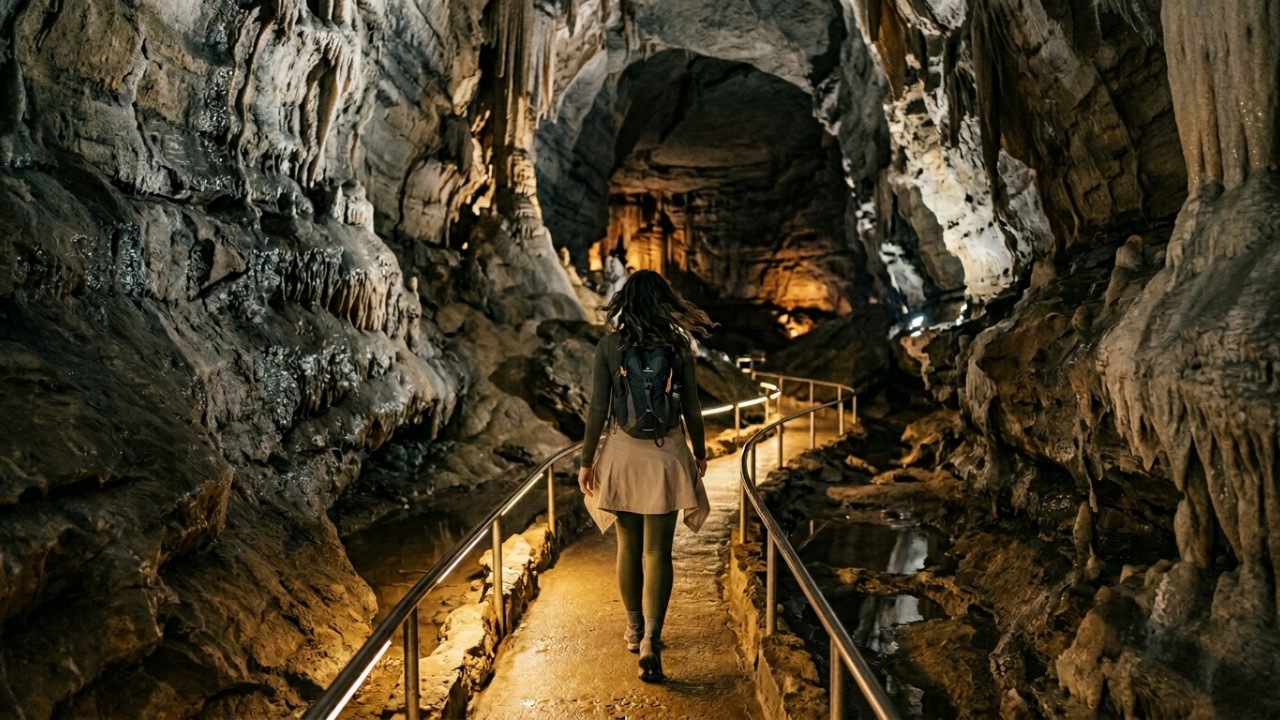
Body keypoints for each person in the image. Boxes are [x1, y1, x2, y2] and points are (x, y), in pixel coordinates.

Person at [577, 270, 714, 683]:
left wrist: (587, 461)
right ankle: (654, 635)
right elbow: (691, 406)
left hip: (622, 454)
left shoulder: (609, 346)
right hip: (666, 455)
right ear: (664, 303)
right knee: (658, 552)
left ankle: (634, 627)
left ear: (626, 303)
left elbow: (598, 410)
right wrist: (700, 454)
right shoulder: (677, 346)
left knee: (627, 547)